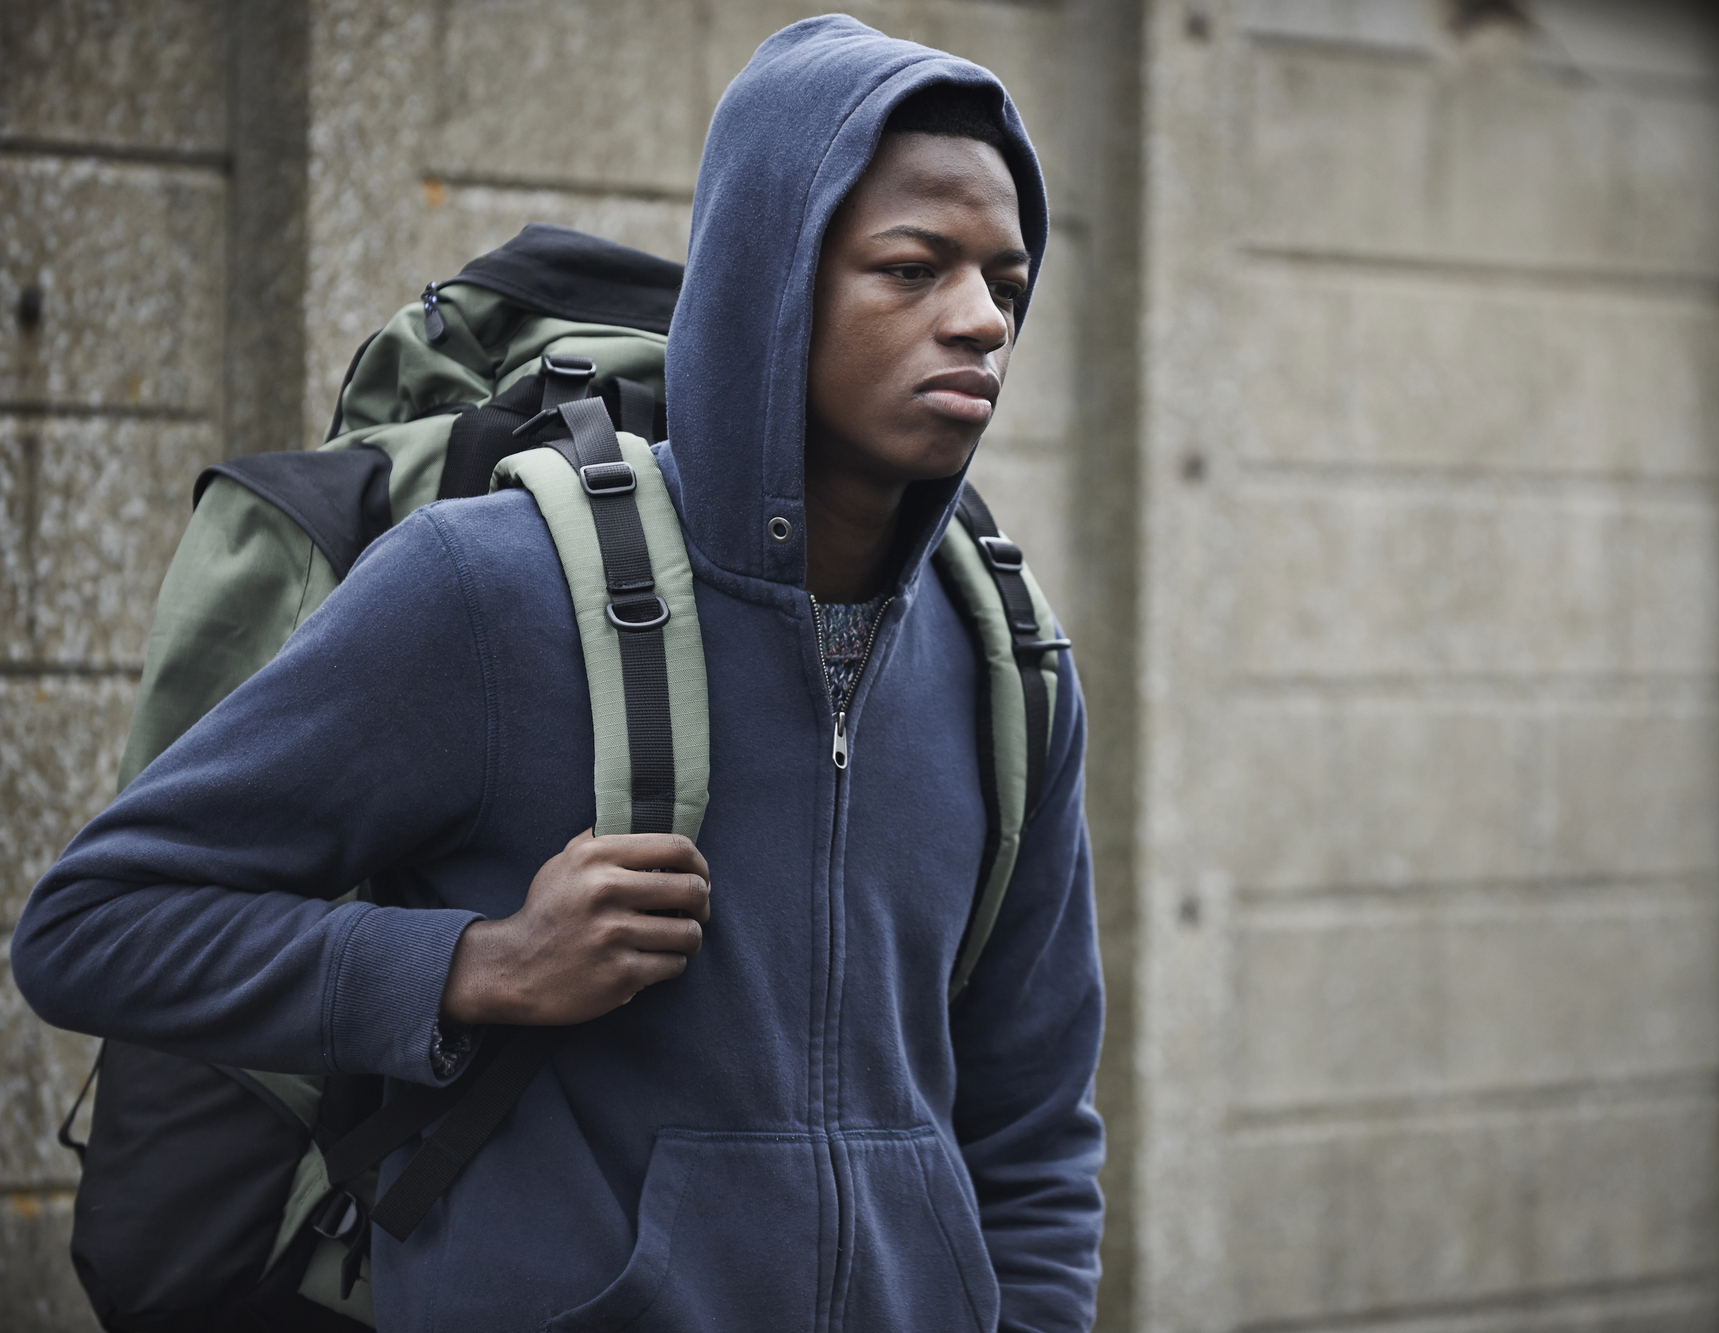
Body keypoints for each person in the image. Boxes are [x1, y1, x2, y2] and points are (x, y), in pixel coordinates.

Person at [13, 15, 1104, 1332]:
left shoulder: (1010, 665)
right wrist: (468, 964)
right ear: (774, 284)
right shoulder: (488, 589)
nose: (981, 320)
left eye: (1006, 277)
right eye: (913, 267)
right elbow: (92, 926)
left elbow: (1034, 1133)